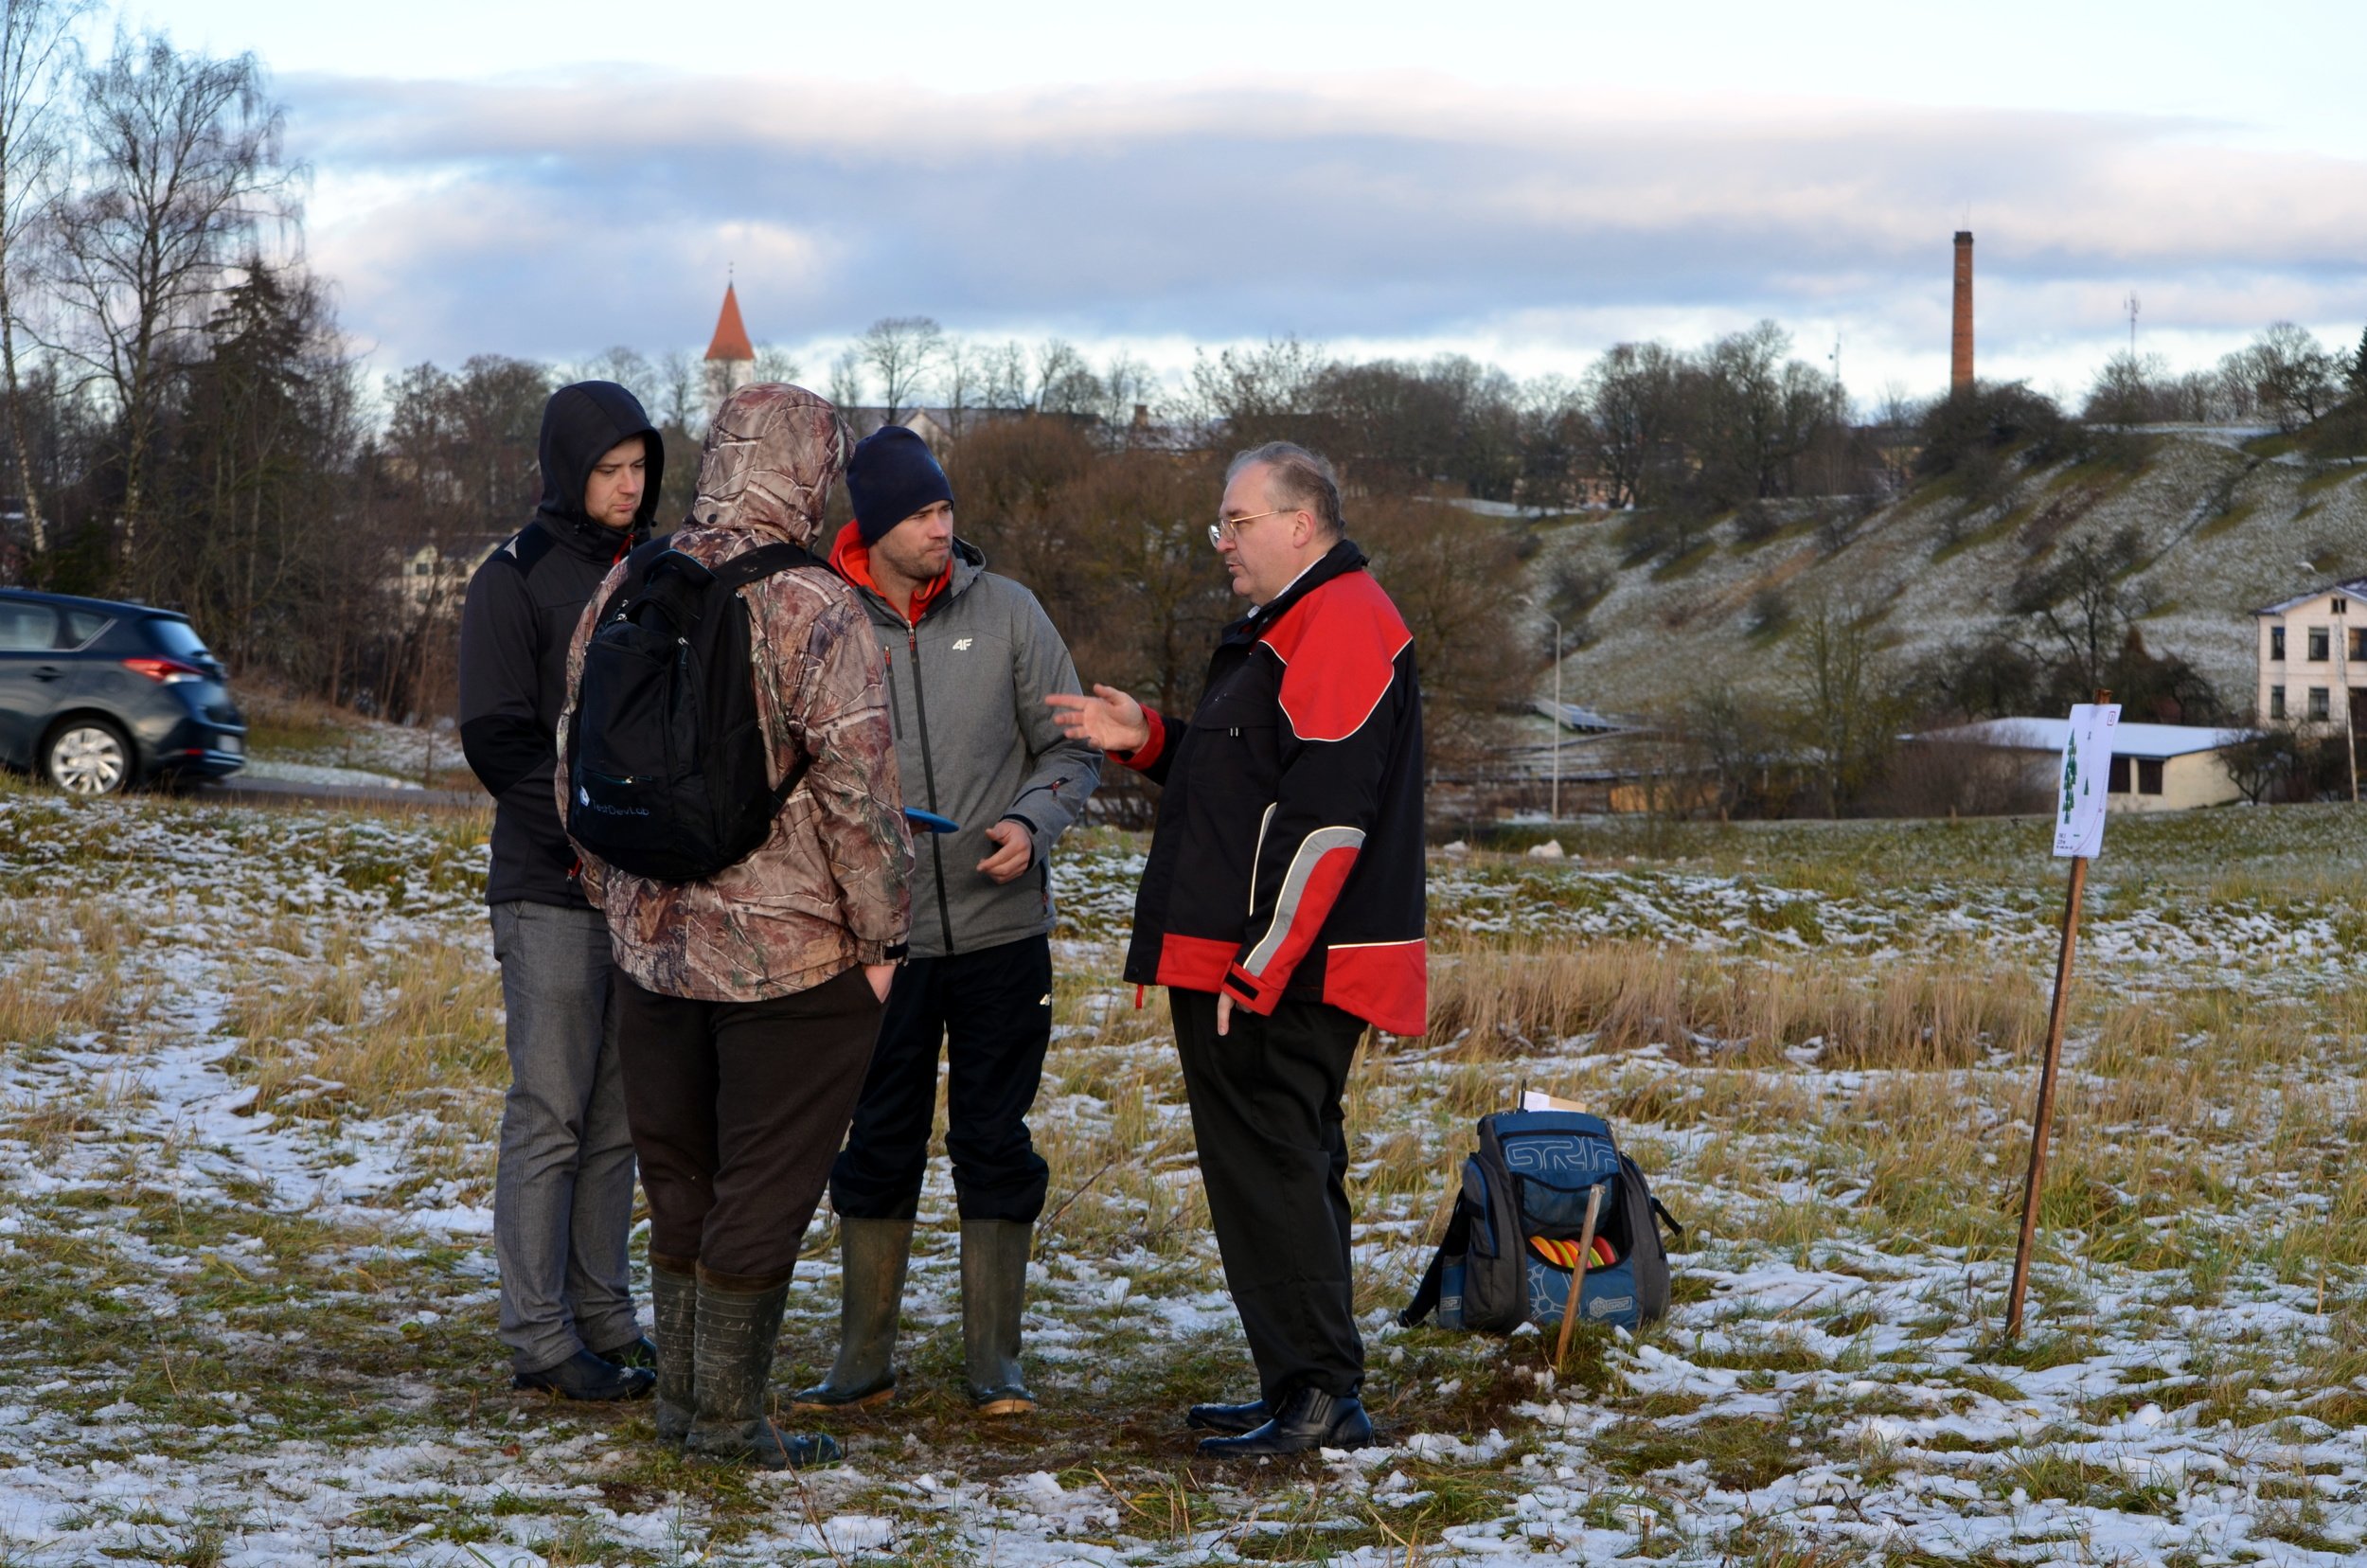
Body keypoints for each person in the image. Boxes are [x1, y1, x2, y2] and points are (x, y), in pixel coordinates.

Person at [559, 382, 914, 1469]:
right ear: (807, 472)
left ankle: (680, 1407)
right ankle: (724, 1423)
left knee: (680, 1178)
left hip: (649, 947)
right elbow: (860, 791)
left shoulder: (629, 578)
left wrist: (606, 894)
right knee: (764, 1183)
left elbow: (572, 751)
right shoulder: (816, 605)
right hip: (790, 958)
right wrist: (883, 942)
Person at [1048, 441, 1425, 1459]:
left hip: (1277, 972)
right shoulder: (1292, 623)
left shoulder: (1341, 620)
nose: (1220, 541)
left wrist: (1258, 966)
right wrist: (1155, 740)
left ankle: (1318, 1397)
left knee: (1274, 1170)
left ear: (1301, 523)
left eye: (1237, 521)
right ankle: (1301, 1383)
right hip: (1252, 962)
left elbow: (1324, 823)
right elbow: (1253, 781)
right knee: (1280, 1169)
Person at [792, 426, 1099, 1420]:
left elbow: (1072, 746)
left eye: (946, 508)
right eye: (923, 513)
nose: (943, 527)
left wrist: (1030, 819)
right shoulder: (821, 622)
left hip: (1003, 933)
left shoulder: (1008, 612)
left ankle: (993, 1362)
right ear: (875, 525)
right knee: (875, 1141)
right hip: (877, 947)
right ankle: (861, 1361)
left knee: (993, 1138)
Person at [458, 381, 663, 1401]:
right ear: (566, 469)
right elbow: (496, 735)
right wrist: (577, 840)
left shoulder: (660, 570)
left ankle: (605, 1315)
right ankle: (539, 1337)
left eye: (639, 469)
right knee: (550, 1110)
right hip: (549, 886)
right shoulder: (515, 576)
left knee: (623, 1113)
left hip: (650, 889)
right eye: (609, 470)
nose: (628, 489)